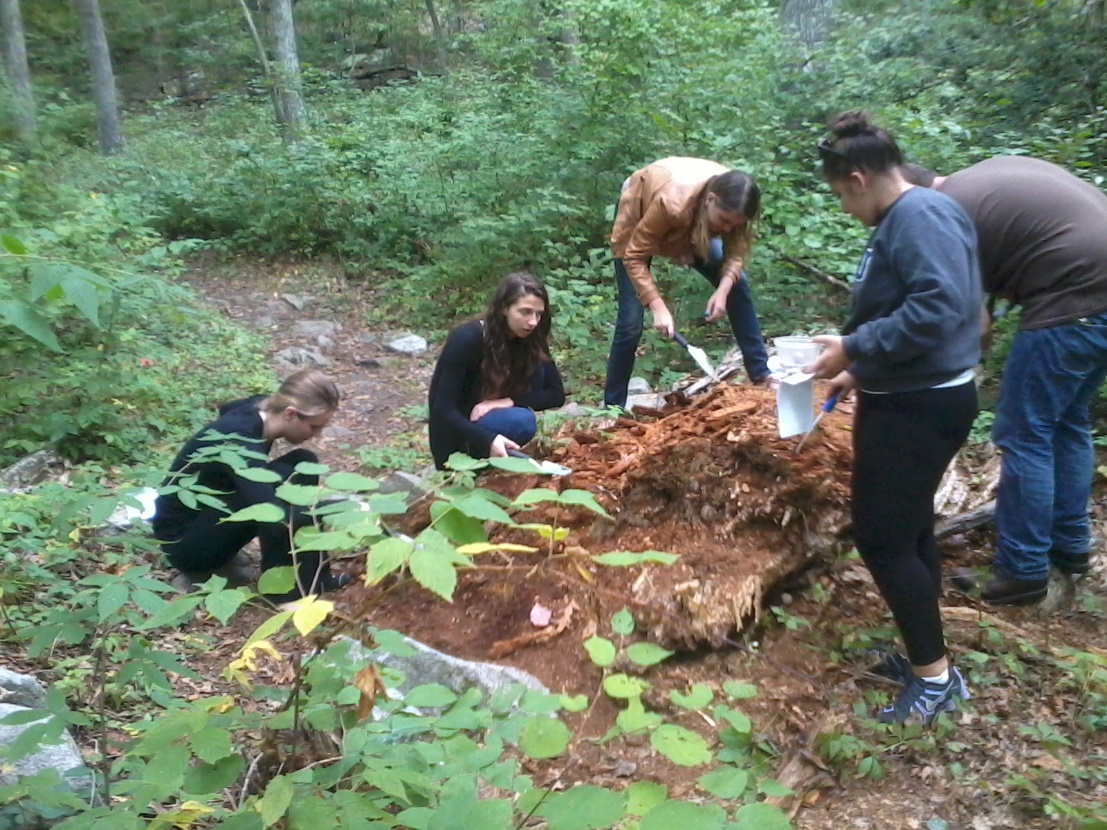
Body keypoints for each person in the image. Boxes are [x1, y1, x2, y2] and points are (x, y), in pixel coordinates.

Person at [808, 113, 981, 724]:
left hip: (920, 403)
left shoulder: (918, 218)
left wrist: (854, 347)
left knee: (882, 539)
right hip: (908, 391)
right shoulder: (910, 217)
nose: (843, 206)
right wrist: (862, 367)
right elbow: (916, 311)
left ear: (858, 177)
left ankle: (935, 679)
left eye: (839, 195)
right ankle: (924, 654)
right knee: (909, 533)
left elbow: (939, 308)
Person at [901, 157, 1107, 604]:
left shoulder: (945, 208)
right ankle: (1070, 550)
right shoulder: (985, 179)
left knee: (1024, 432)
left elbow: (973, 325)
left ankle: (1022, 572)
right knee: (1067, 422)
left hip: (1077, 298)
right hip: (1096, 291)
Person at [152, 369, 350, 604]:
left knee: (303, 463)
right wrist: (340, 508)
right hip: (186, 545)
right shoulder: (239, 440)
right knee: (269, 506)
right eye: (314, 427)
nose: (317, 434)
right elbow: (273, 517)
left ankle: (314, 577)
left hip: (210, 514)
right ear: (289, 414)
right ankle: (281, 592)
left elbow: (229, 407)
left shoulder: (262, 408)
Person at [604, 157, 772, 408]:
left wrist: (723, 291)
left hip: (693, 220)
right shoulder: (671, 203)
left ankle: (761, 374)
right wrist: (657, 306)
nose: (727, 229)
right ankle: (612, 408)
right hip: (640, 208)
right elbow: (635, 256)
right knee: (630, 322)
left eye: (734, 225)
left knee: (738, 283)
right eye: (724, 221)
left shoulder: (736, 205)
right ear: (710, 200)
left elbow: (735, 254)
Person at [428, 272, 566, 470]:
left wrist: (505, 402)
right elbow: (442, 409)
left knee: (526, 410)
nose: (533, 322)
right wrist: (488, 439)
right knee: (522, 420)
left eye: (538, 314)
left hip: (494, 419)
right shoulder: (468, 338)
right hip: (459, 432)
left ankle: (502, 454)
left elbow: (556, 394)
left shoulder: (532, 338)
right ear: (504, 308)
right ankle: (485, 456)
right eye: (525, 312)